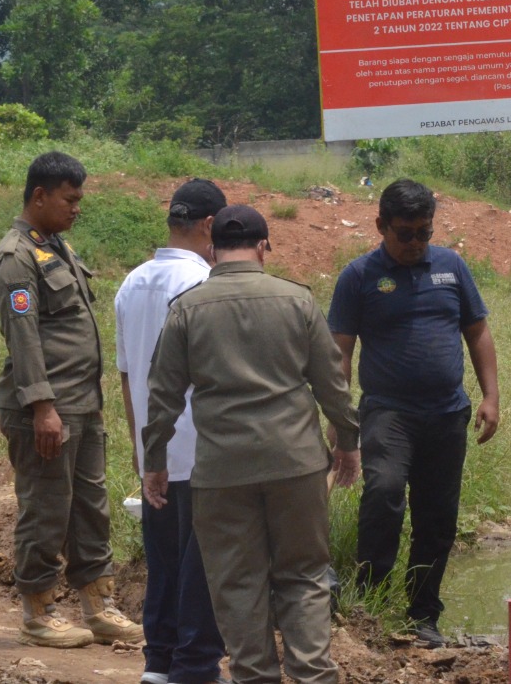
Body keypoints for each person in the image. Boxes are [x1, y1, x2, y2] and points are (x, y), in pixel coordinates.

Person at [143, 205, 360, 684]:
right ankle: (313, 677)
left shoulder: (187, 308)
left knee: (238, 584)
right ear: (264, 246)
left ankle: (254, 676)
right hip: (296, 464)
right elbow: (332, 384)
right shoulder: (296, 300)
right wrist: (347, 441)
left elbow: (162, 395)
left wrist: (154, 460)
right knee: (303, 577)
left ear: (212, 248)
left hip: (223, 472)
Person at [328, 178, 501, 648]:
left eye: (424, 232)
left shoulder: (451, 266)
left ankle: (423, 614)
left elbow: (478, 332)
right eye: (405, 233)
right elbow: (339, 354)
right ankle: (371, 603)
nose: (415, 243)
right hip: (388, 413)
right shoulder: (359, 277)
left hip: (448, 415)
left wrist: (491, 396)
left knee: (438, 517)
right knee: (383, 493)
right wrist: (340, 419)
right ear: (381, 225)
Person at [0, 151, 143, 649]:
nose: (77, 208)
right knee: (47, 510)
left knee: (90, 509)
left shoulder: (55, 246)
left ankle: (100, 606)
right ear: (39, 196)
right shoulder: (15, 258)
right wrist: (42, 409)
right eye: (69, 199)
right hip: (47, 410)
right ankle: (38, 612)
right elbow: (24, 337)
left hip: (81, 405)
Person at [115, 178, 228, 684]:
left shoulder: (132, 282)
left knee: (163, 562)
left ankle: (158, 663)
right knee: (200, 566)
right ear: (208, 226)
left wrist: (141, 448)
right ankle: (194, 667)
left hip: (155, 448)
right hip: (198, 446)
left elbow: (126, 374)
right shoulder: (203, 286)